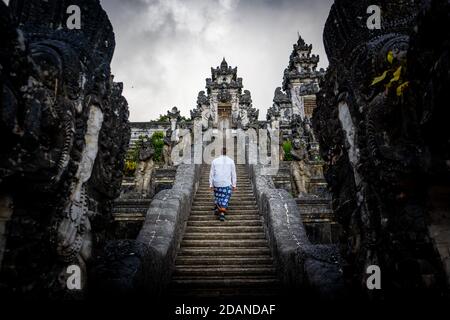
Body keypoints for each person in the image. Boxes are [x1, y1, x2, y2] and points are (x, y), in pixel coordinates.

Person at [209, 147, 237, 221]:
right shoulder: (231, 161)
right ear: (226, 152)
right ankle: (222, 213)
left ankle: (218, 208)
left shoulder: (214, 161)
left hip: (217, 183)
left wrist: (211, 184)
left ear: (221, 152)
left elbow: (211, 174)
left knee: (218, 197)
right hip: (226, 184)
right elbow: (233, 174)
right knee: (225, 198)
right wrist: (234, 184)